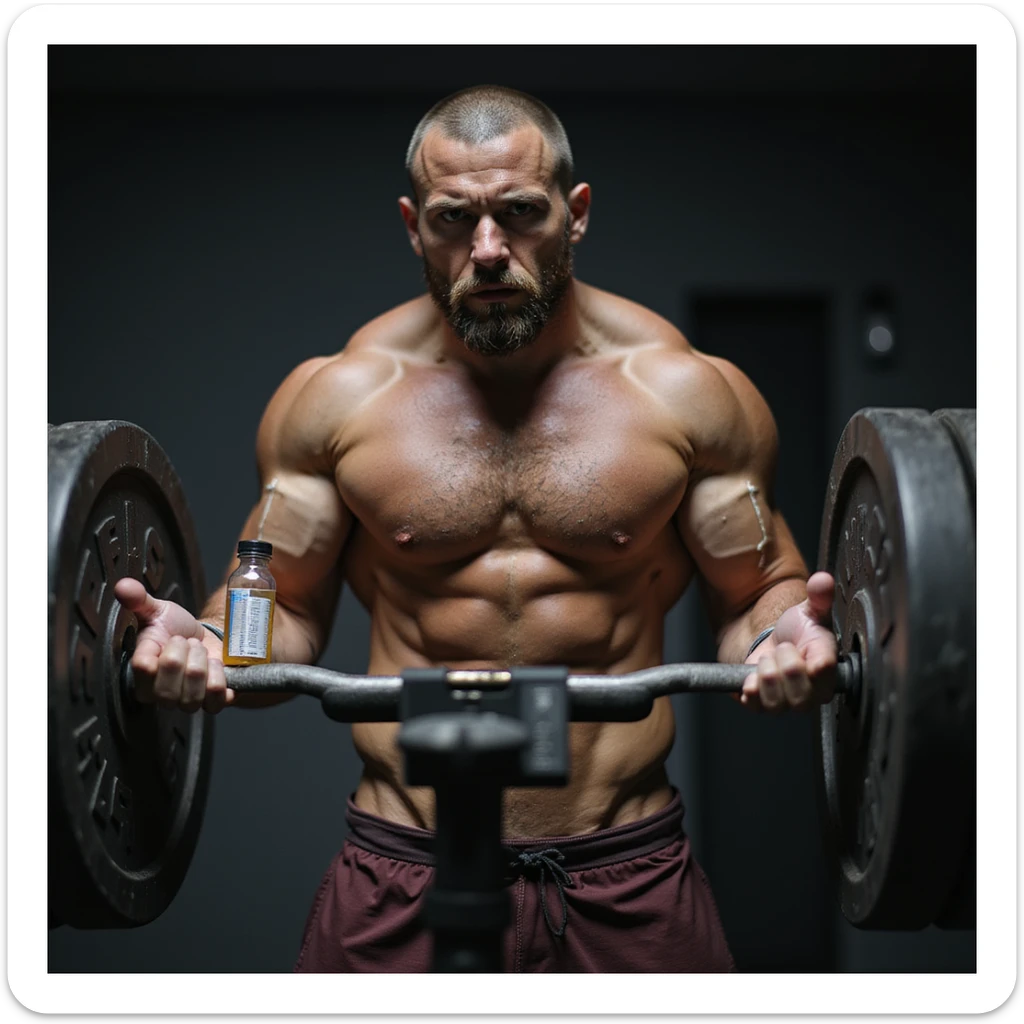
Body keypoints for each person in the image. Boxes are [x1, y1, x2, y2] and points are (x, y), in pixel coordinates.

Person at [115, 85, 839, 973]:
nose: (489, 251)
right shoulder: (339, 397)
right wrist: (209, 643)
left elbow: (755, 595)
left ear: (574, 215)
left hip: (627, 871)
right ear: (414, 225)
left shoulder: (687, 393)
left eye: (520, 214)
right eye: (455, 220)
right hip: (401, 865)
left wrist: (784, 638)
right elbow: (279, 613)